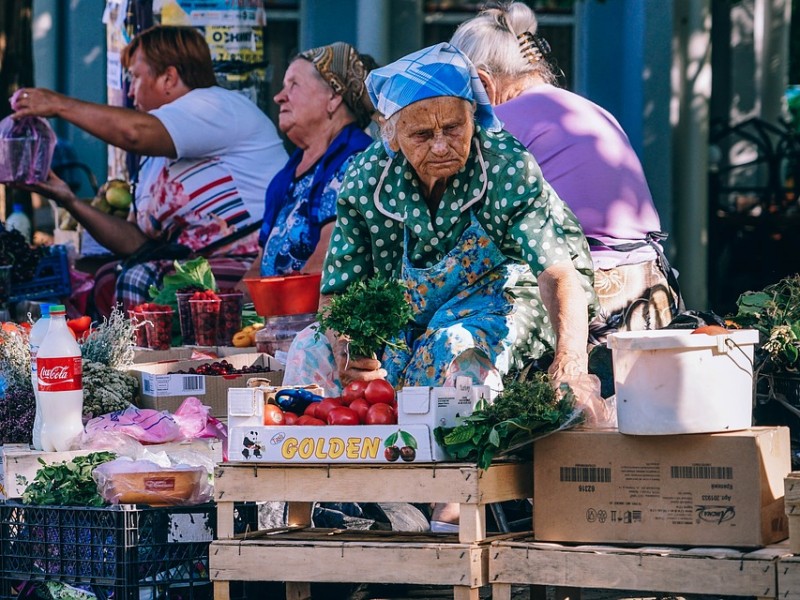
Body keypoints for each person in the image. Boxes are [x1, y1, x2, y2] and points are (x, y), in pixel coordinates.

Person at [283, 41, 602, 411]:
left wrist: (570, 364)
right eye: (421, 135)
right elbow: (338, 291)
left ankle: (442, 465)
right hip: (406, 315)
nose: (439, 147)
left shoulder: (504, 166)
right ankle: (328, 459)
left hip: (502, 302)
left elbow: (557, 274)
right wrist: (346, 346)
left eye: (453, 128)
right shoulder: (366, 178)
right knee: (309, 346)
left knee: (449, 347)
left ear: (474, 118)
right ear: (393, 135)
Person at [11, 25, 287, 315]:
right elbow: (137, 243)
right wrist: (67, 198)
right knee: (106, 275)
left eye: (135, 77)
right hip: (189, 268)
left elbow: (134, 133)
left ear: (169, 77)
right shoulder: (154, 161)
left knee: (137, 278)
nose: (130, 91)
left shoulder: (217, 106)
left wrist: (59, 104)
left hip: (252, 266)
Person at [450, 1, 682, 343]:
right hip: (653, 286)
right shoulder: (588, 109)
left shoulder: (500, 123)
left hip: (592, 292)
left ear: (483, 81)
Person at [240, 41, 375, 289]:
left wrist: (275, 315)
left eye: (294, 85)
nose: (279, 97)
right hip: (278, 319)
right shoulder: (289, 174)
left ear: (333, 96)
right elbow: (260, 263)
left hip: (311, 319)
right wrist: (226, 311)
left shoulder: (356, 163)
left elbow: (327, 258)